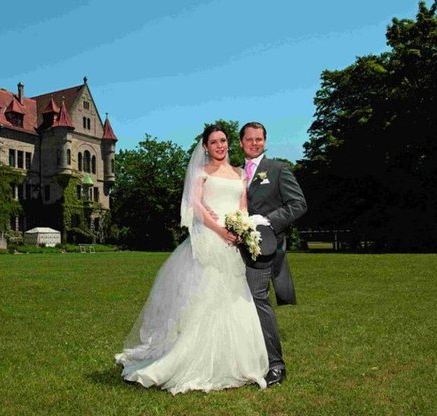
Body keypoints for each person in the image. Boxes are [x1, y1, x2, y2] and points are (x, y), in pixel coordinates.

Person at [115, 124, 269, 394]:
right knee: (206, 299)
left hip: (234, 243)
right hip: (210, 240)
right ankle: (193, 360)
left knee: (235, 298)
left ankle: (235, 361)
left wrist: (242, 229)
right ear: (206, 147)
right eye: (214, 142)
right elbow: (196, 205)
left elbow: (242, 205)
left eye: (223, 140)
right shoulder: (201, 172)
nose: (220, 145)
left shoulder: (239, 173)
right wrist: (220, 230)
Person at [239, 121, 307, 386]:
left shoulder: (278, 169)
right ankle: (245, 360)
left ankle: (276, 365)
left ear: (265, 141)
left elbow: (298, 204)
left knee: (258, 299)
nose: (254, 143)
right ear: (241, 142)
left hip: (265, 248)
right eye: (249, 139)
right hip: (235, 249)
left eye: (259, 139)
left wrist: (268, 220)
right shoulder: (234, 172)